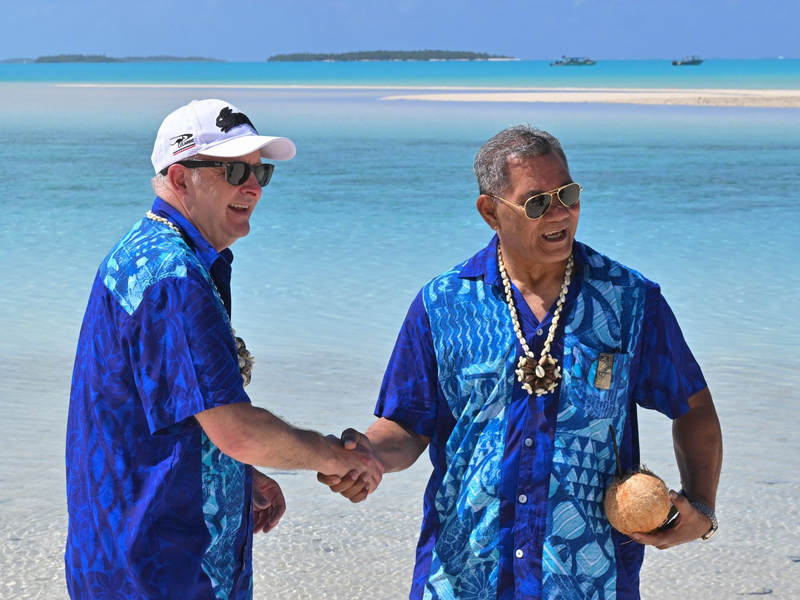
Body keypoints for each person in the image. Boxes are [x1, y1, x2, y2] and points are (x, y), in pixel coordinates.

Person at [319, 125, 723, 599]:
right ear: (491, 211)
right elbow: (407, 425)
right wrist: (367, 458)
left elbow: (694, 411)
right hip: (462, 575)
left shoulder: (630, 301)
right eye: (537, 202)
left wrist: (700, 508)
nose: (560, 214)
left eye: (567, 195)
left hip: (588, 579)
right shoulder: (443, 304)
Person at [65, 99, 383, 599]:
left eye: (261, 172)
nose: (253, 187)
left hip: (128, 556)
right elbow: (235, 429)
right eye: (234, 170)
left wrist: (239, 476)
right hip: (163, 568)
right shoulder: (175, 277)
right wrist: (332, 456)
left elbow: (166, 410)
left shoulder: (151, 255)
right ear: (179, 177)